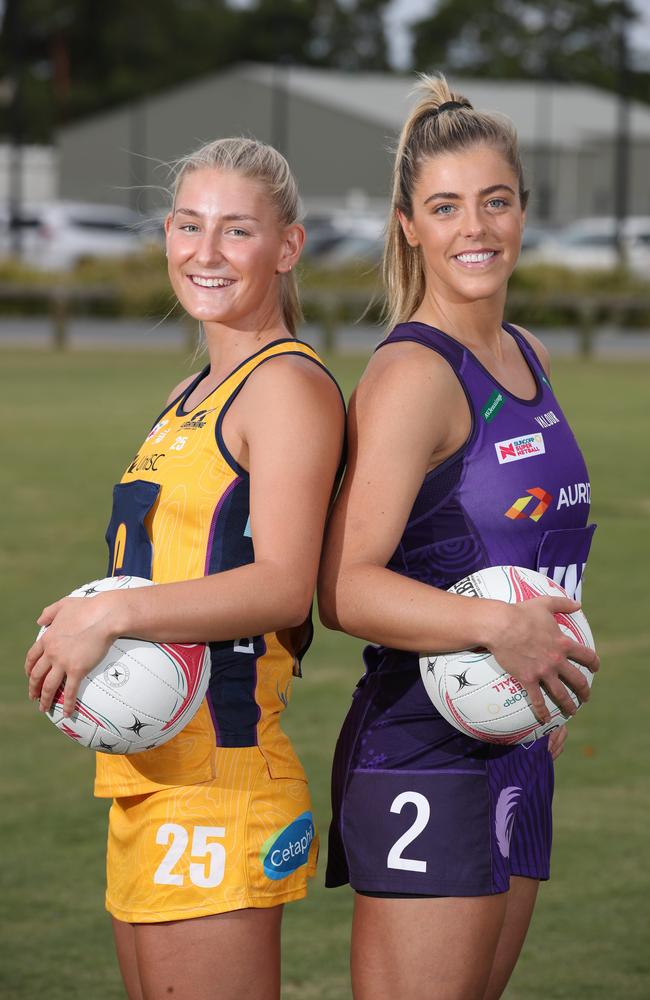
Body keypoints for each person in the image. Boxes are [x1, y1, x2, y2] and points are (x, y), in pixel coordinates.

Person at [25, 137, 345, 1000]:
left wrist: (114, 618)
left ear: (287, 248)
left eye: (237, 231)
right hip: (149, 775)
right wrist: (89, 608)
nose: (206, 253)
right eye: (190, 226)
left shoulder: (285, 387)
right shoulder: (190, 390)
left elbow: (283, 582)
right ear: (166, 233)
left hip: (222, 774)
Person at [319, 76, 599, 1000]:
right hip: (422, 749)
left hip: (514, 734)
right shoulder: (412, 373)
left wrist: (535, 668)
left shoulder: (528, 354)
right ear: (409, 225)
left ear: (522, 210)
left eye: (495, 201)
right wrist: (498, 634)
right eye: (446, 207)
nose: (474, 228)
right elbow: (346, 588)